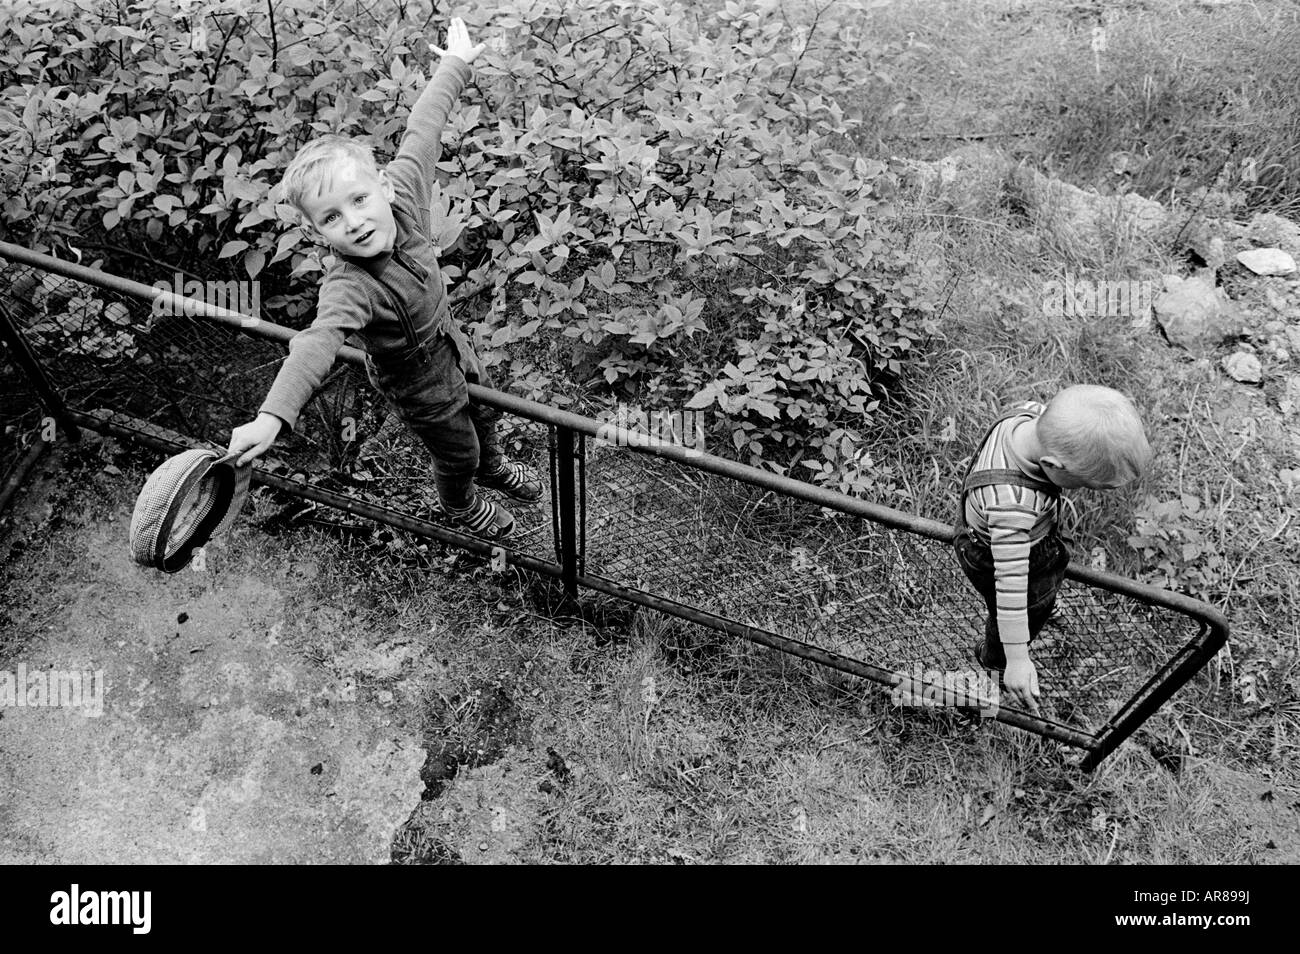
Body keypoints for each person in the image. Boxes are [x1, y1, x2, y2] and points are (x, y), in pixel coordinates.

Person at [227, 18, 538, 540]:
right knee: (454, 449)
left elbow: (424, 127)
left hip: (453, 345)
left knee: (484, 414)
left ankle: (493, 464)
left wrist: (456, 64)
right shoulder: (349, 285)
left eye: (359, 199)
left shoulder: (405, 193)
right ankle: (461, 504)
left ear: (384, 188)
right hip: (418, 384)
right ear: (316, 230)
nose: (353, 221)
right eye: (330, 218)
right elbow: (317, 343)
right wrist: (272, 417)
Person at [952, 385, 1151, 714]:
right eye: (1087, 484)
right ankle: (995, 662)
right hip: (998, 557)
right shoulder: (1013, 508)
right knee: (1023, 608)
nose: (1090, 491)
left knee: (1040, 598)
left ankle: (1042, 608)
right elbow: (1010, 588)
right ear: (1052, 465)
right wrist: (1018, 658)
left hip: (1000, 532)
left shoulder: (1028, 418)